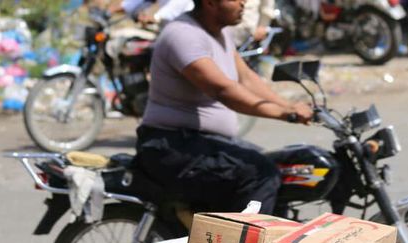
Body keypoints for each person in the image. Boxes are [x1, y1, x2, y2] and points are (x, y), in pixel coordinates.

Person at [131, 0, 313, 215]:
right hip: (172, 146)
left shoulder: (220, 33)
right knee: (260, 173)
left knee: (284, 165)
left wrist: (290, 105)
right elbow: (222, 90)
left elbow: (245, 77)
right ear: (210, 3)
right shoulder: (183, 35)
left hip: (201, 143)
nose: (244, 2)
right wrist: (285, 114)